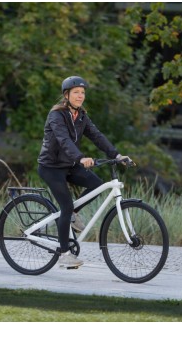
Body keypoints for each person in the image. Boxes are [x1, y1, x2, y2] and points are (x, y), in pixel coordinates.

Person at [37, 76, 132, 268]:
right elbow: (64, 140)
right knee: (65, 206)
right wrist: (81, 157)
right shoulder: (56, 115)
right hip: (51, 167)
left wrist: (117, 155)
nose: (80, 96)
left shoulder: (81, 116)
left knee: (97, 185)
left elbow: (97, 136)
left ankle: (73, 213)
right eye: (76, 92)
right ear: (66, 95)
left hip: (69, 164)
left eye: (82, 92)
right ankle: (64, 254)